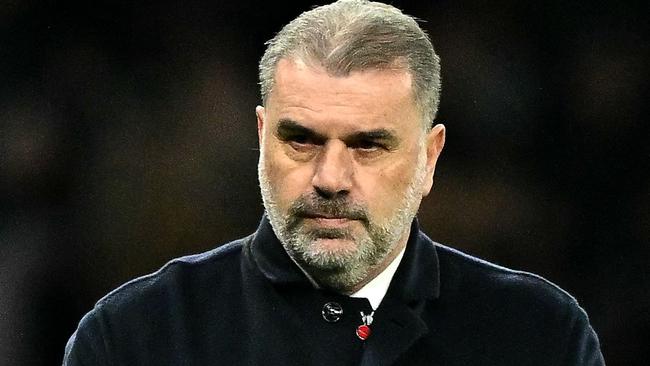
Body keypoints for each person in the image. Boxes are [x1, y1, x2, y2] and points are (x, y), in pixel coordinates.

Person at [63, 1, 605, 365]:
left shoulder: (539, 337)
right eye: (301, 140)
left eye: (368, 145)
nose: (330, 179)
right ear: (260, 137)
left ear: (428, 158)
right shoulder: (135, 339)